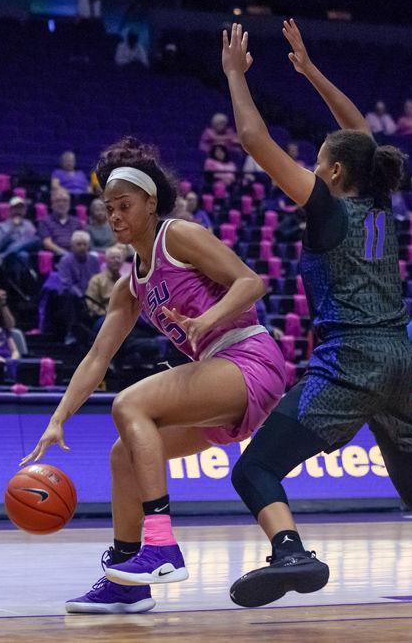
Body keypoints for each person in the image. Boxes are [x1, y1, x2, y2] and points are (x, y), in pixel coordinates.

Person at [221, 20, 412, 614]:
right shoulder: (378, 206)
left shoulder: (324, 207)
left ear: (334, 173)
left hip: (351, 361)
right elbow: (359, 135)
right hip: (401, 358)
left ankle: (289, 551)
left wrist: (236, 77)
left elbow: (252, 137)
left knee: (255, 469)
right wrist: (310, 71)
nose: (314, 167)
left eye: (319, 160)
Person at [20, 135, 286, 614]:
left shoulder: (178, 235)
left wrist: (207, 320)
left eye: (125, 205)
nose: (115, 216)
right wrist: (57, 419)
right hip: (218, 379)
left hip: (249, 357)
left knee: (130, 403)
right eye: (108, 208)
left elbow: (252, 282)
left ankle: (161, 546)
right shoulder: (130, 285)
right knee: (124, 455)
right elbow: (97, 358)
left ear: (151, 202)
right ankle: (126, 579)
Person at [55, 231, 101, 344]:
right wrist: (82, 295)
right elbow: (66, 283)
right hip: (71, 296)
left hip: (90, 294)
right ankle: (71, 332)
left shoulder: (94, 260)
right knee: (70, 297)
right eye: (78, 244)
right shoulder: (65, 260)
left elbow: (98, 279)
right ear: (72, 246)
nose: (82, 247)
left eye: (84, 244)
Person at [0, 197, 39, 283]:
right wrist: (12, 228)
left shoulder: (29, 224)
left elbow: (31, 241)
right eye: (15, 208)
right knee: (22, 255)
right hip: (12, 259)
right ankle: (22, 283)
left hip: (26, 251)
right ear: (10, 210)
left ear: (24, 211)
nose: (18, 211)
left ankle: (2, 256)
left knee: (34, 240)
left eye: (21, 208)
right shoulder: (1, 226)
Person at [38, 188, 84, 257]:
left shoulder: (76, 221)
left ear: (69, 203)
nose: (61, 204)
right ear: (52, 204)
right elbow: (47, 243)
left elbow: (81, 241)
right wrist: (64, 253)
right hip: (55, 256)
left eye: (65, 201)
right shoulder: (45, 221)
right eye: (58, 201)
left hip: (75, 256)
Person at [85, 245, 125, 322]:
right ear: (106, 261)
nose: (116, 260)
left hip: (123, 316)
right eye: (113, 258)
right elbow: (91, 305)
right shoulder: (96, 280)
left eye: (118, 258)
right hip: (103, 317)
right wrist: (109, 314)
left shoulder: (125, 280)